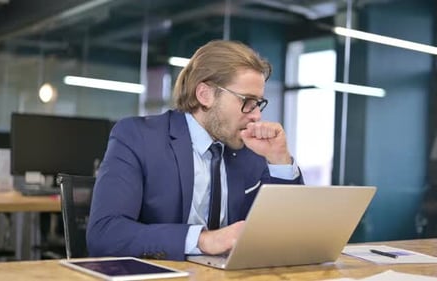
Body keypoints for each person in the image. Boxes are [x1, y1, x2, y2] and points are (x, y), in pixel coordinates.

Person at [86, 40, 304, 261]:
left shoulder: (248, 147)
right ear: (204, 94)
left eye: (258, 103)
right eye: (247, 101)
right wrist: (203, 240)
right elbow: (105, 234)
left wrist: (279, 160)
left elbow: (286, 234)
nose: (256, 115)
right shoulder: (137, 137)